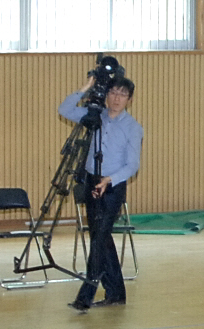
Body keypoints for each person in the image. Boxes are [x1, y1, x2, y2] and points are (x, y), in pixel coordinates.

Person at [60, 63, 144, 312]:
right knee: (101, 239)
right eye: (113, 93)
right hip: (91, 180)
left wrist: (109, 180)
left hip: (112, 186)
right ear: (107, 94)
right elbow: (64, 109)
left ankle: (85, 295)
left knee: (98, 241)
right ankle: (116, 292)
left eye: (122, 95)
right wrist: (87, 86)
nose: (117, 98)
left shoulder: (133, 127)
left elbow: (133, 165)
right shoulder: (94, 116)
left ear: (129, 100)